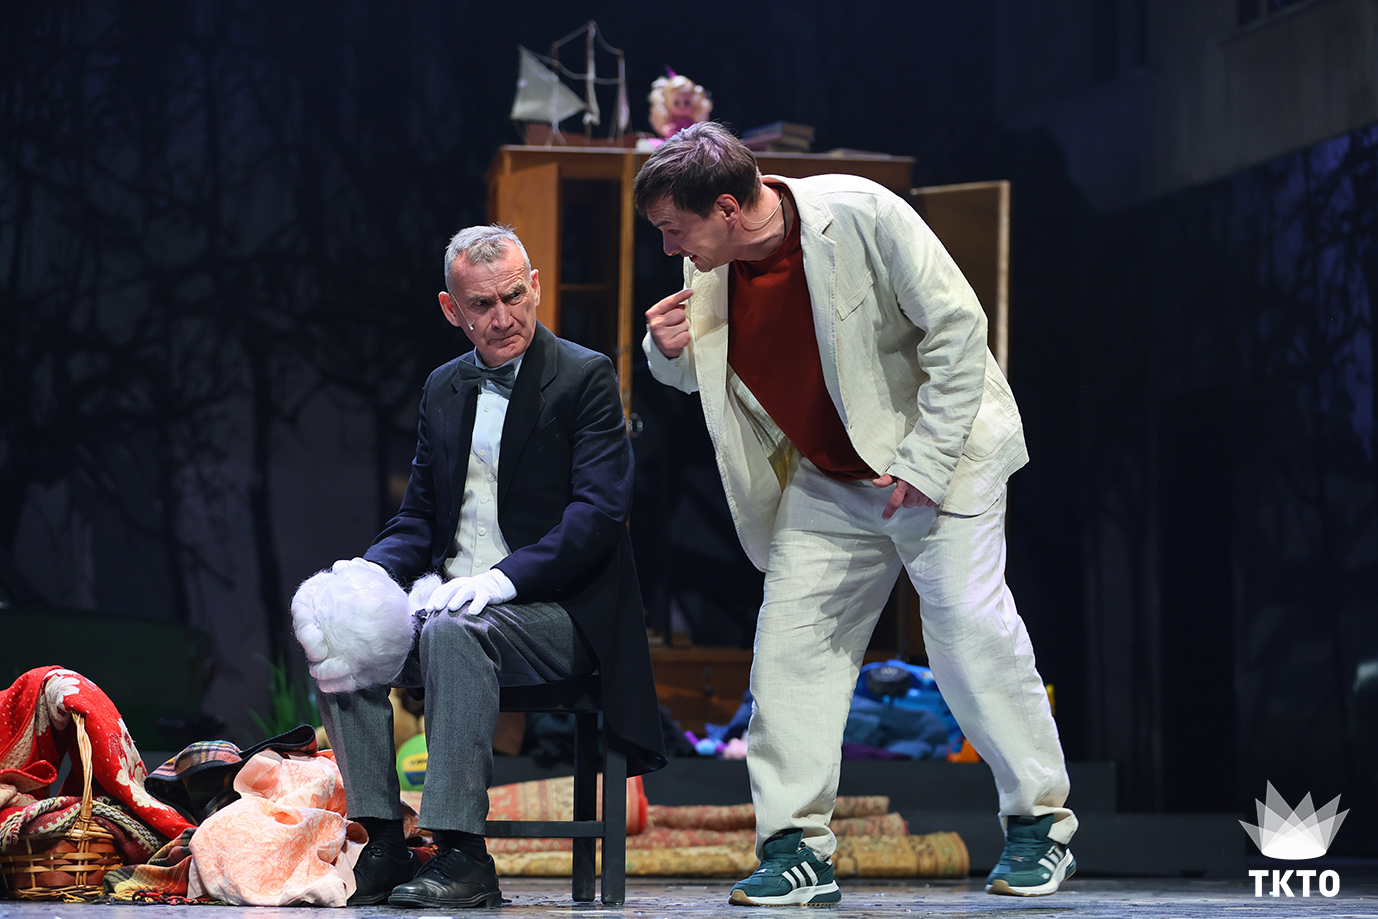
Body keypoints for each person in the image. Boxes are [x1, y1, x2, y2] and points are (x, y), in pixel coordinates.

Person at [634, 123, 1076, 907]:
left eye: (674, 229)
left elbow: (958, 330)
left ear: (727, 208)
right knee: (790, 651)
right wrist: (666, 353)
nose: (669, 246)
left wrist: (925, 462)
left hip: (941, 454)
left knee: (968, 630)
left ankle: (1040, 822)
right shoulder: (712, 263)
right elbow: (710, 375)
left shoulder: (862, 213)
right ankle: (795, 846)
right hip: (830, 476)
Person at [312, 225, 665, 908]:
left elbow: (597, 514)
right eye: (482, 305)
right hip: (455, 608)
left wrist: (503, 579)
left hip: (559, 612)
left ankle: (464, 854)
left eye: (513, 297)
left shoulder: (584, 376)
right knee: (340, 630)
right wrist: (366, 575)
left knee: (453, 631)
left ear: (535, 287)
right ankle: (384, 840)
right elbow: (419, 518)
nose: (503, 317)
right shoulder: (444, 387)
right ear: (452, 309)